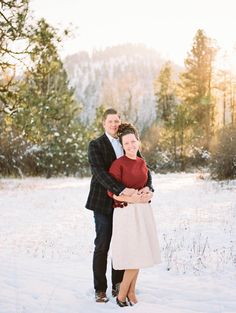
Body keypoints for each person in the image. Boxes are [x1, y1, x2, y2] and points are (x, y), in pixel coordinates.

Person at [85, 108, 154, 303]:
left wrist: (149, 187)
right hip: (103, 202)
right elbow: (100, 173)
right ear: (104, 124)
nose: (114, 124)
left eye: (116, 121)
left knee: (123, 245)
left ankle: (119, 286)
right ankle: (100, 289)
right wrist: (122, 189)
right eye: (110, 121)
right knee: (103, 244)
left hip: (127, 206)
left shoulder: (128, 140)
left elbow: (143, 168)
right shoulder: (96, 145)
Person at [107, 122, 161, 307]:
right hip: (126, 213)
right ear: (122, 145)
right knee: (133, 254)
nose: (130, 145)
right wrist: (132, 199)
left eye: (133, 142)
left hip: (143, 212)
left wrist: (148, 190)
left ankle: (131, 291)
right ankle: (122, 295)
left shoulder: (141, 162)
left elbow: (147, 183)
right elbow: (111, 192)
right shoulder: (118, 164)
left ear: (138, 142)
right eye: (126, 143)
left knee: (140, 252)